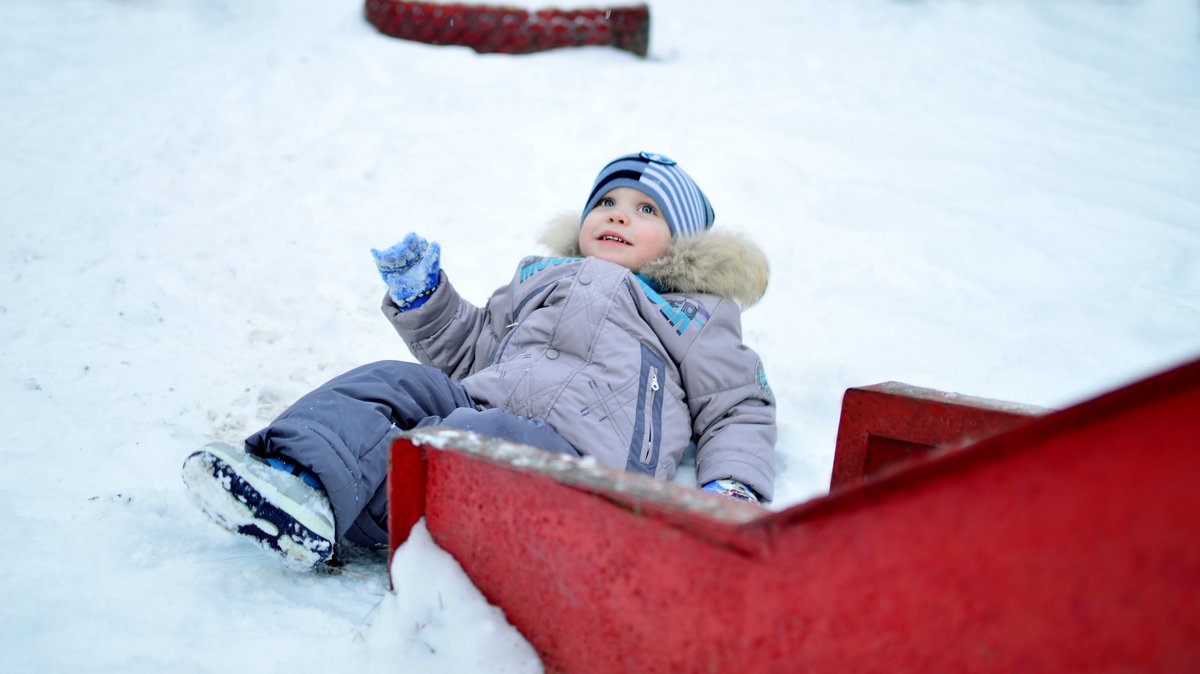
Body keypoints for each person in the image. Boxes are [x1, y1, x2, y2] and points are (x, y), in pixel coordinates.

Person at [181, 151, 776, 570]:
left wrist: (733, 486)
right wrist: (426, 299)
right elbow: (470, 352)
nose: (619, 214)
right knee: (393, 382)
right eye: (609, 202)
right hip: (475, 414)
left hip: (575, 468)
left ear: (684, 245)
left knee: (471, 434)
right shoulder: (540, 278)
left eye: (648, 210)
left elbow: (735, 406)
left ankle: (403, 493)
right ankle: (302, 487)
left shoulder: (690, 317)